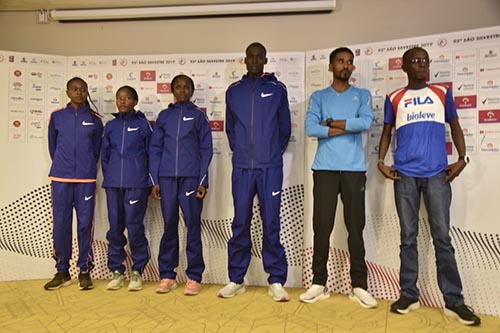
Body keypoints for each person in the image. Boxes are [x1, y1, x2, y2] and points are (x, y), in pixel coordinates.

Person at [377, 47, 480, 326]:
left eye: (425, 61)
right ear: (405, 67)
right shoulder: (394, 98)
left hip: (437, 174)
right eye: (416, 61)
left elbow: (455, 126)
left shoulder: (442, 94)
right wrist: (380, 161)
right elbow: (387, 132)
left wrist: (462, 159)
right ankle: (409, 295)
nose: (422, 65)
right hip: (405, 175)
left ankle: (454, 301)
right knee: (408, 237)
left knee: (442, 238)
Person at [301, 47, 377, 308]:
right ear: (331, 66)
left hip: (354, 170)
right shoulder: (319, 96)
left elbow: (366, 123)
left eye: (349, 62)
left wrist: (333, 124)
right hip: (325, 169)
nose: (345, 65)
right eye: (340, 61)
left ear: (353, 68)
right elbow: (311, 128)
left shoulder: (362, 95)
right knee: (321, 228)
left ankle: (359, 286)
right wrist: (346, 126)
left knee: (355, 229)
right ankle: (318, 283)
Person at [218, 42, 292, 302]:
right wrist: (241, 153)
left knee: (271, 222)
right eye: (251, 56)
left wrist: (270, 152)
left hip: (270, 167)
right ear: (245, 59)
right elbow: (231, 129)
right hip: (242, 168)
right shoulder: (233, 91)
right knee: (240, 222)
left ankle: (276, 279)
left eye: (259, 57)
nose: (254, 60)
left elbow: (285, 129)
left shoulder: (276, 89)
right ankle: (236, 279)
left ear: (265, 60)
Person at [149, 74, 213, 296]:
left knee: (192, 226)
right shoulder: (164, 116)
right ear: (172, 90)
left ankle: (194, 276)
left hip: (190, 178)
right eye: (178, 87)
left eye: (187, 87)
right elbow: (155, 149)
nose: (182, 90)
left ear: (192, 90)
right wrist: (155, 180)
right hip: (166, 178)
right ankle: (167, 275)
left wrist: (203, 180)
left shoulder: (199, 117)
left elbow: (206, 150)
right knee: (169, 226)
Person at [45, 77, 103, 291]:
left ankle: (84, 270)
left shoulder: (95, 120)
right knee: (60, 225)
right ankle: (62, 270)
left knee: (85, 225)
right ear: (68, 92)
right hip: (61, 178)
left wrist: (84, 166)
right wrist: (64, 165)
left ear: (86, 92)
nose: (79, 92)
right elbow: (53, 147)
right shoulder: (57, 116)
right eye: (75, 89)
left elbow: (96, 150)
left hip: (86, 179)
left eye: (83, 89)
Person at [101, 86, 153, 291]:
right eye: (119, 98)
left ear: (135, 101)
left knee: (134, 227)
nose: (122, 102)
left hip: (136, 184)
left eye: (127, 98)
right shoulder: (110, 126)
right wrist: (111, 175)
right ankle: (117, 271)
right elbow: (105, 156)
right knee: (115, 228)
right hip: (114, 185)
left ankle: (138, 271)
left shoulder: (143, 125)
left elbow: (152, 154)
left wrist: (147, 181)